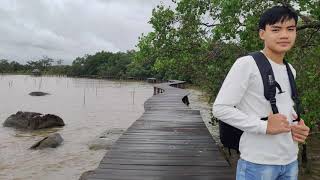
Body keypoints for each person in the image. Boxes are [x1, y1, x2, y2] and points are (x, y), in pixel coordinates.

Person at [212, 6, 310, 180]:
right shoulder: (247, 64)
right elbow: (220, 108)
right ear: (262, 33)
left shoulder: (290, 69)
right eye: (276, 29)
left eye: (290, 29)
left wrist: (297, 126)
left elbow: (283, 109)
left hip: (290, 160)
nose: (284, 35)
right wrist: (264, 126)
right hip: (257, 164)